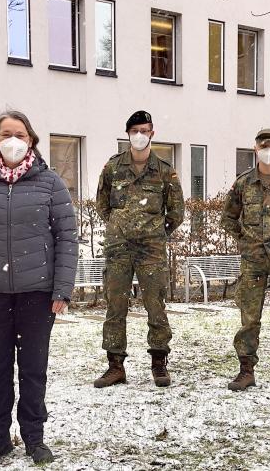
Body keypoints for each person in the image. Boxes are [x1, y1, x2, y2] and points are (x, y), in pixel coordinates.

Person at [0, 111, 77, 466]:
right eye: (6, 133)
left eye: (20, 134)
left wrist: (62, 288)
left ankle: (34, 438)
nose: (13, 140)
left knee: (34, 369)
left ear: (31, 140)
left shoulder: (50, 183)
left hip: (38, 292)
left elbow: (67, 237)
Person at [93, 110, 185, 388]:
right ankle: (115, 366)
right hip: (118, 249)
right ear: (128, 134)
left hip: (152, 251)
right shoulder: (112, 167)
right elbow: (102, 205)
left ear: (152, 133)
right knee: (115, 306)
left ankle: (159, 363)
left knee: (156, 306)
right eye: (135, 131)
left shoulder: (165, 171)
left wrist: (155, 232)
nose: (140, 136)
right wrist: (119, 228)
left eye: (144, 131)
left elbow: (176, 212)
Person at [221, 128, 270, 391]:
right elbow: (228, 218)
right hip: (252, 260)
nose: (268, 149)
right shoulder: (243, 183)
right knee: (249, 318)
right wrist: (245, 239)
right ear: (255, 149)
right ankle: (246, 370)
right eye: (263, 145)